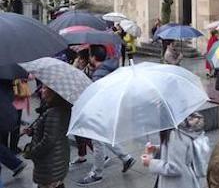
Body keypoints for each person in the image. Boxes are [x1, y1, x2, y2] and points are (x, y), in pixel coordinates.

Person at [78, 45, 135, 186]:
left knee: (97, 141)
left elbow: (96, 96)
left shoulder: (98, 74)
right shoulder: (110, 67)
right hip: (110, 108)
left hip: (101, 110)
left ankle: (97, 174)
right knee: (105, 136)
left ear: (93, 57)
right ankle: (126, 158)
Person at [23, 85, 71, 188]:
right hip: (56, 158)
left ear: (53, 93)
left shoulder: (54, 112)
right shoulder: (53, 108)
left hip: (50, 161)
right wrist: (33, 131)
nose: (41, 90)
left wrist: (32, 152)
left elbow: (48, 140)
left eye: (45, 88)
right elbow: (50, 130)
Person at [142, 113, 205, 188]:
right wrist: (156, 149)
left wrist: (150, 162)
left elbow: (174, 167)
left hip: (178, 183)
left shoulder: (176, 135)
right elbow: (178, 152)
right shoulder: (179, 129)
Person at [71, 48, 93, 165]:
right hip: (79, 104)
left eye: (80, 59)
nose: (78, 60)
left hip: (85, 105)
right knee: (78, 131)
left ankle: (124, 156)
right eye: (77, 58)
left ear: (85, 60)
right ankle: (81, 155)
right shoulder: (82, 69)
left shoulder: (88, 71)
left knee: (86, 132)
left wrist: (74, 68)